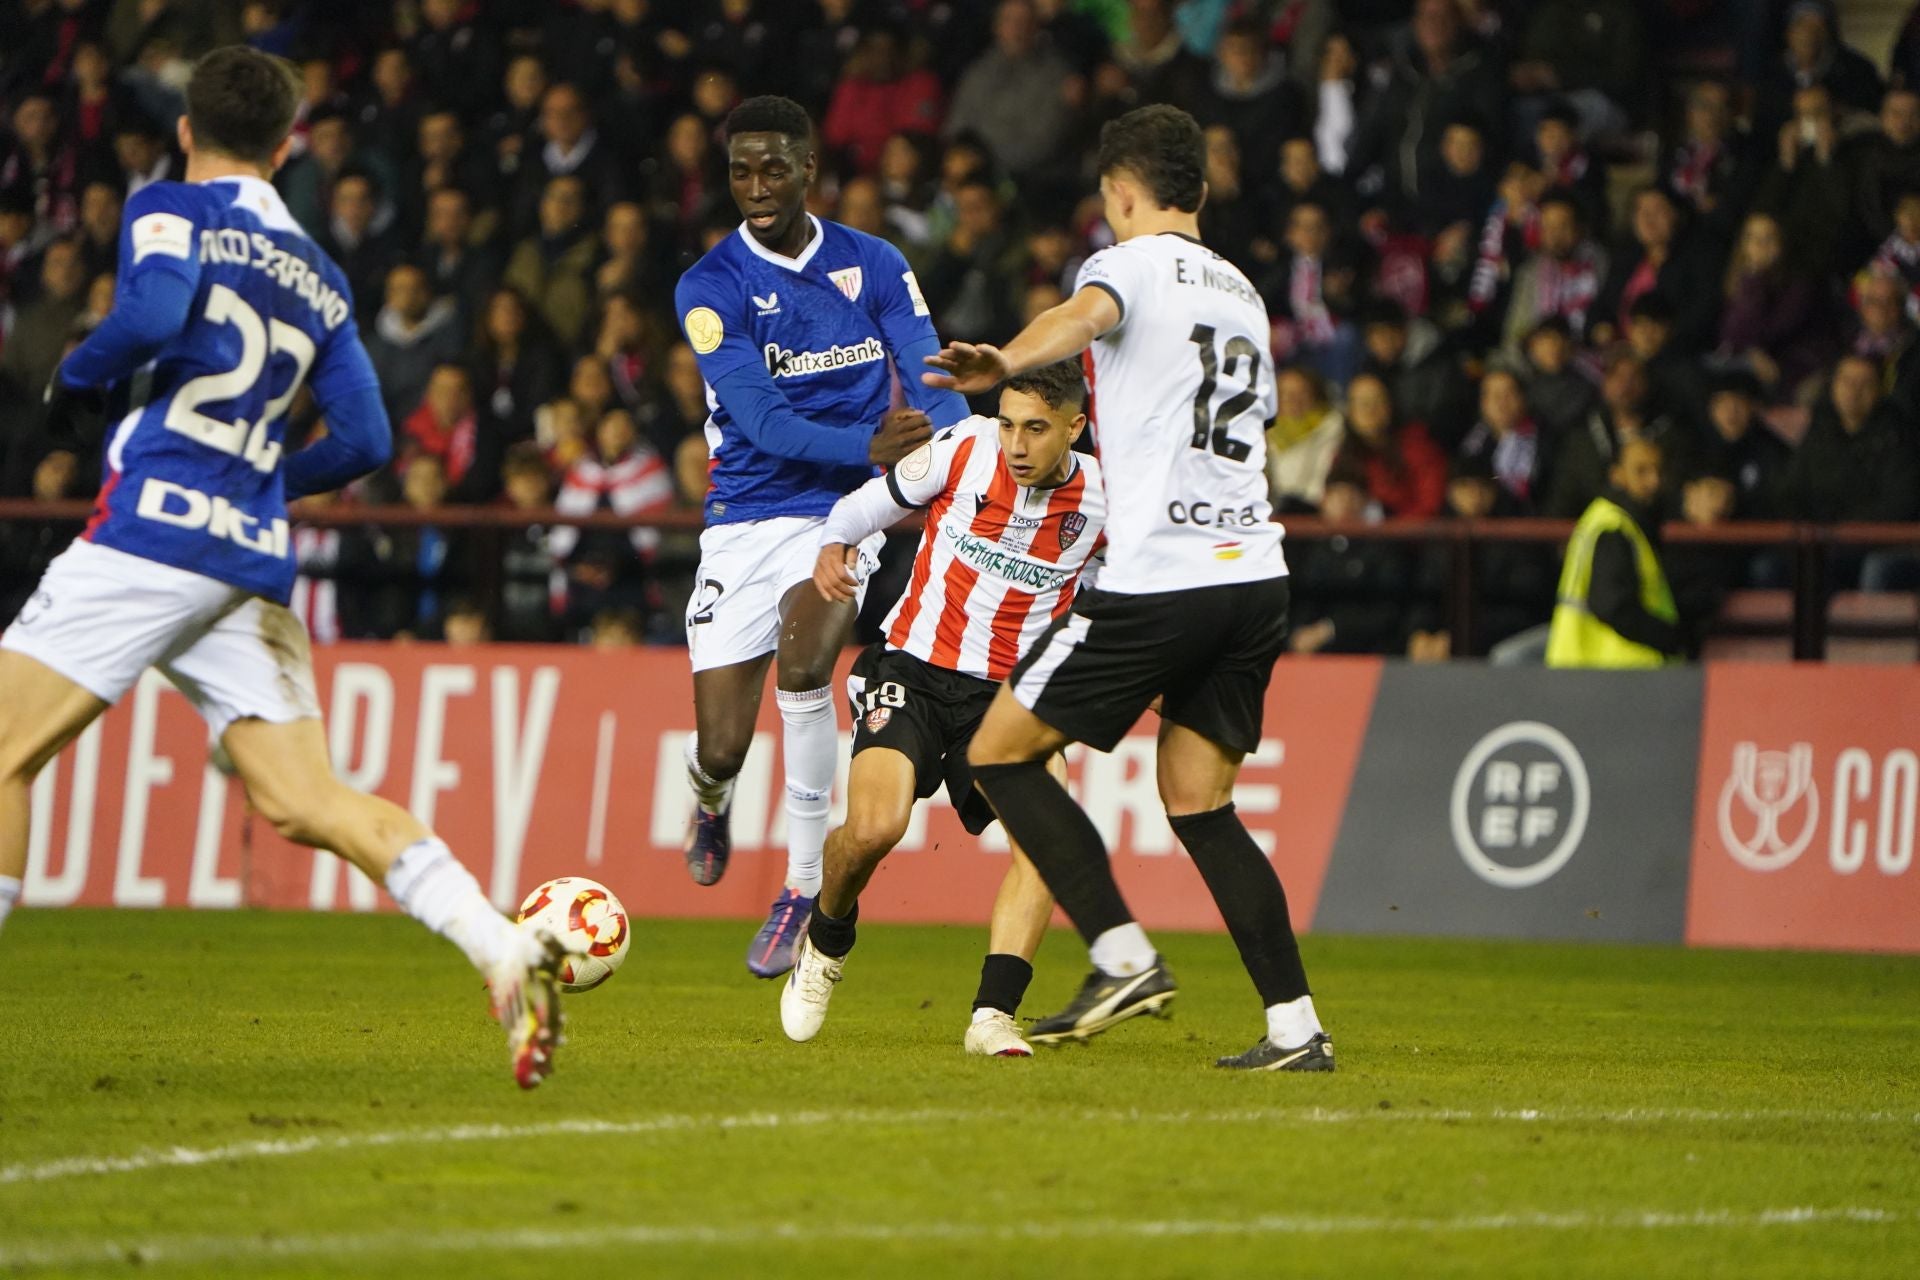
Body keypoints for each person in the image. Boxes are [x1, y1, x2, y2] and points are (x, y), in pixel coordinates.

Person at [0, 47, 565, 1088]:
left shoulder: (171, 206)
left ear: (185, 130)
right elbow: (363, 438)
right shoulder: (322, 271)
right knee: (310, 799)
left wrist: (73, 378)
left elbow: (157, 314)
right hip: (249, 556)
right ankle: (500, 943)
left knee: (3, 753)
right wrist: (260, 477)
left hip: (152, 529)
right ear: (288, 143)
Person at [919, 105, 1334, 1072]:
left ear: (1121, 192)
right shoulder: (1243, 293)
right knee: (1200, 802)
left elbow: (1083, 319)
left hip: (1166, 578)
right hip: (1255, 574)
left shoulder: (1129, 265)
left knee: (999, 754)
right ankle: (1295, 1027)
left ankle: (1120, 957)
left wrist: (1006, 361)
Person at [672, 95, 968, 977]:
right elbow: (759, 420)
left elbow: (930, 370)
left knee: (807, 667)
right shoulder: (710, 287)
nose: (755, 187)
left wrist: (966, 448)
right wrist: (866, 443)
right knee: (721, 744)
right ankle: (711, 799)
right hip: (743, 516)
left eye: (772, 168)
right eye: (739, 171)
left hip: (844, 511)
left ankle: (801, 885)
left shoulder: (872, 262)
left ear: (809, 168)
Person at [780, 361, 1105, 1059]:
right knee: (874, 827)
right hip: (915, 670)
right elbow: (861, 510)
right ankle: (828, 938)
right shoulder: (964, 448)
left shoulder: (1105, 503)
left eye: (1036, 430)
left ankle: (993, 1016)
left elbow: (1119, 596)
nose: (1016, 444)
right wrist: (833, 548)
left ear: (1075, 428)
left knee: (1049, 849)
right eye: (1010, 424)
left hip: (1012, 701)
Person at [1545, 438, 1683, 668]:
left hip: (1587, 668)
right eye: (1641, 471)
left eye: (1659, 470)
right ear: (1617, 474)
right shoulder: (1615, 527)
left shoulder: (1606, 518)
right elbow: (1612, 605)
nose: (1654, 481)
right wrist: (1669, 637)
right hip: (1615, 670)